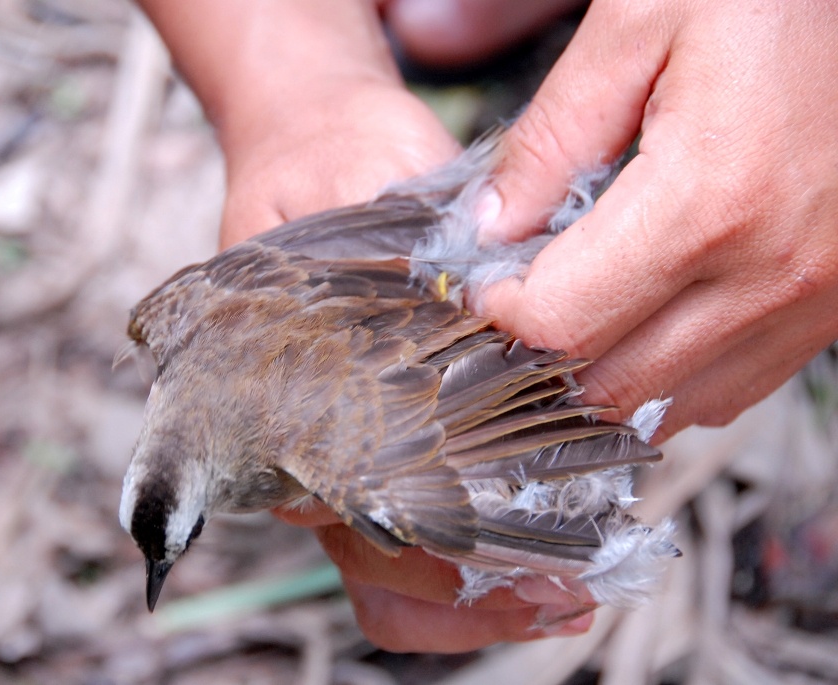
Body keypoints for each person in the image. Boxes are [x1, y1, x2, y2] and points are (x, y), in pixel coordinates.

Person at [135, 0, 838, 653]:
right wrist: (299, 101)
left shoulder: (316, 446)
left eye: (185, 537)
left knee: (413, 499)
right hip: (424, 287)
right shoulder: (172, 317)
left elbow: (429, 465)